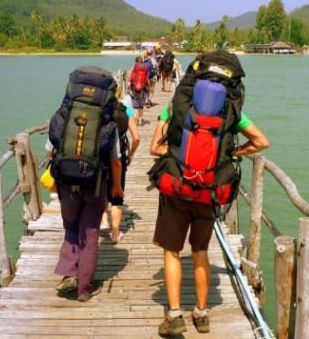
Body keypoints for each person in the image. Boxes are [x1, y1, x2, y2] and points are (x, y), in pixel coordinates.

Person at [149, 88, 269, 335]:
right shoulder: (230, 112)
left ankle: (174, 314)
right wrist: (231, 154)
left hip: (177, 189)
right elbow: (262, 142)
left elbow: (154, 148)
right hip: (209, 193)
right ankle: (201, 314)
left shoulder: (174, 107)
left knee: (172, 251)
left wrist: (180, 155)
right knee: (200, 250)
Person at [47, 67, 125, 303]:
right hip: (96, 183)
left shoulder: (62, 117)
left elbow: (50, 151)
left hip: (66, 181)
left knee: (71, 227)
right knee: (90, 233)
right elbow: (115, 160)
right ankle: (83, 288)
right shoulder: (107, 123)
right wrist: (116, 187)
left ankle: (69, 273)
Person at [101, 85, 141, 243]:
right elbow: (136, 137)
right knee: (117, 195)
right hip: (120, 155)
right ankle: (115, 233)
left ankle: (103, 220)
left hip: (102, 155)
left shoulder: (101, 110)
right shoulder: (127, 111)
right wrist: (131, 153)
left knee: (102, 187)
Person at [129, 55, 150, 125]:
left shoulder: (135, 67)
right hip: (143, 89)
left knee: (135, 106)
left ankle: (135, 120)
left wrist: (130, 86)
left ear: (136, 61)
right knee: (141, 106)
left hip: (135, 88)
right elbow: (147, 79)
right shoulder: (145, 67)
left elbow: (131, 78)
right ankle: (140, 120)